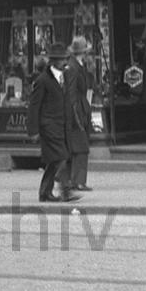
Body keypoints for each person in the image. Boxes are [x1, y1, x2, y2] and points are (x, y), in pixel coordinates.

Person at [26, 42, 79, 203]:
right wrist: (33, 130)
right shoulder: (43, 80)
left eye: (66, 59)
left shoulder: (64, 77)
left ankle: (45, 192)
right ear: (54, 61)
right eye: (62, 59)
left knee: (56, 159)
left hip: (62, 125)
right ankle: (65, 191)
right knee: (61, 156)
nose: (65, 62)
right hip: (49, 126)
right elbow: (34, 106)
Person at [64, 36, 93, 192]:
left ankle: (72, 180)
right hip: (77, 111)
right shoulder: (73, 68)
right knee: (81, 147)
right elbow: (71, 94)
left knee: (77, 147)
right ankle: (78, 181)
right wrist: (76, 117)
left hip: (81, 109)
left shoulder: (78, 65)